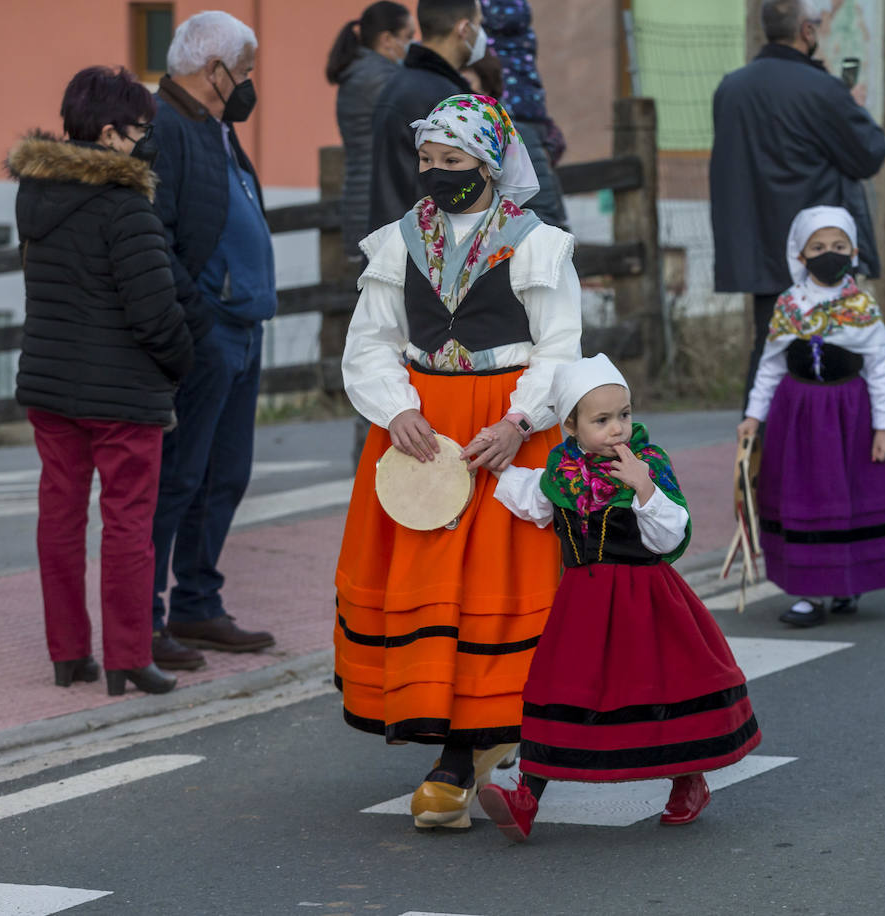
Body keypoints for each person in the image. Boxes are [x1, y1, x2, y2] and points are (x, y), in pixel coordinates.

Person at [335, 95, 581, 831]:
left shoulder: (537, 244)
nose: (438, 174)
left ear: (489, 163)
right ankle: (451, 742)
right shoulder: (399, 242)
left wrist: (521, 421)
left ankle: (468, 749)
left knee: (495, 585)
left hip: (504, 433)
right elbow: (372, 341)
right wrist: (396, 408)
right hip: (422, 436)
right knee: (433, 583)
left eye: (454, 161)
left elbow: (559, 347)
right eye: (429, 160)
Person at [477, 354, 760, 843]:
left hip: (646, 600)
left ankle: (688, 782)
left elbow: (671, 537)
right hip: (582, 607)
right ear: (571, 425)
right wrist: (493, 468)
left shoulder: (647, 465)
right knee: (559, 691)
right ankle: (526, 798)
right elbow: (536, 500)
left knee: (664, 692)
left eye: (624, 415)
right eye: (602, 420)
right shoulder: (561, 472)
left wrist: (645, 490)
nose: (617, 430)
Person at [10, 67, 193, 696]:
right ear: (112, 133)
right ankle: (127, 658)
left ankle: (69, 655)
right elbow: (156, 314)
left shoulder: (32, 196)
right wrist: (180, 362)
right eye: (141, 129)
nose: (147, 141)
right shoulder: (125, 205)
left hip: (49, 385)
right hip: (123, 397)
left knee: (58, 519)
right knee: (127, 525)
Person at [149, 10, 278, 670]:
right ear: (214, 69)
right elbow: (156, 236)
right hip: (208, 332)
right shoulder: (166, 125)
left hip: (242, 328)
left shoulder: (216, 126)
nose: (251, 81)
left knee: (224, 475)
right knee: (178, 478)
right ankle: (146, 618)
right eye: (246, 69)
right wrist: (197, 318)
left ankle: (198, 603)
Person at [737, 206, 885, 628]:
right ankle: (809, 592)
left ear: (853, 251)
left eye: (837, 246)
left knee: (846, 495)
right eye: (817, 247)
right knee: (805, 496)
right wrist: (753, 417)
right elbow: (771, 365)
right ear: (800, 254)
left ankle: (848, 581)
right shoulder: (788, 305)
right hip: (796, 418)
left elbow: (880, 369)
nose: (827, 253)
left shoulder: (862, 307)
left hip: (849, 417)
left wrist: (884, 427)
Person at [710, 0, 885, 406]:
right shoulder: (823, 88)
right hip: (819, 248)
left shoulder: (732, 88)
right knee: (831, 352)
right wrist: (854, 108)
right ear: (807, 32)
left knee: (770, 346)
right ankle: (819, 451)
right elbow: (869, 154)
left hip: (756, 244)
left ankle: (755, 451)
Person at [367, 0, 483, 233]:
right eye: (479, 25)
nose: (483, 35)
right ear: (464, 29)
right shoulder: (447, 101)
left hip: (398, 241)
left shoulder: (401, 85)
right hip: (427, 252)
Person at [327, 1, 414, 259]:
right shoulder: (381, 79)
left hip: (364, 204)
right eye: (408, 37)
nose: (413, 44)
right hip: (379, 207)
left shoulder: (362, 73)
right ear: (387, 39)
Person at [482, 0, 570, 230]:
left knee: (532, 198)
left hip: (509, 114)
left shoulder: (484, 35)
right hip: (534, 112)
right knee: (542, 190)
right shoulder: (524, 34)